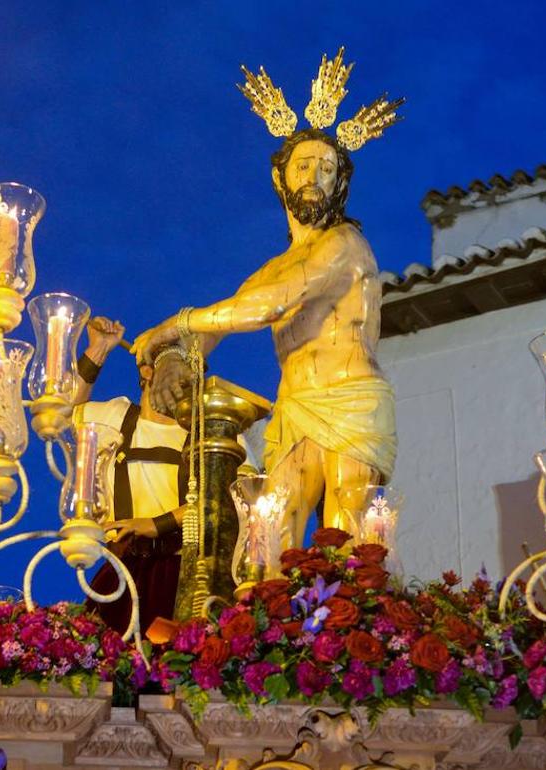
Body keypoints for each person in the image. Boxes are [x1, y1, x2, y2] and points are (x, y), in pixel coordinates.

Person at [131, 54, 402, 548]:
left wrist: (175, 324)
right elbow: (216, 328)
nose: (316, 177)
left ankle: (361, 625)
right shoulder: (271, 269)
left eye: (327, 168)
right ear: (281, 179)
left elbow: (269, 306)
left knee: (349, 538)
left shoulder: (343, 244)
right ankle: (268, 626)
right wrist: (174, 358)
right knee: (270, 539)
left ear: (340, 182)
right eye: (305, 166)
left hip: (354, 401)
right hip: (295, 408)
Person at [75, 317, 255, 632]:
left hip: (189, 577)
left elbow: (238, 500)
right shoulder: (115, 419)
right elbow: (56, 415)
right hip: (122, 574)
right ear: (147, 370)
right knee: (100, 668)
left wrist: (156, 525)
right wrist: (98, 351)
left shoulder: (217, 430)